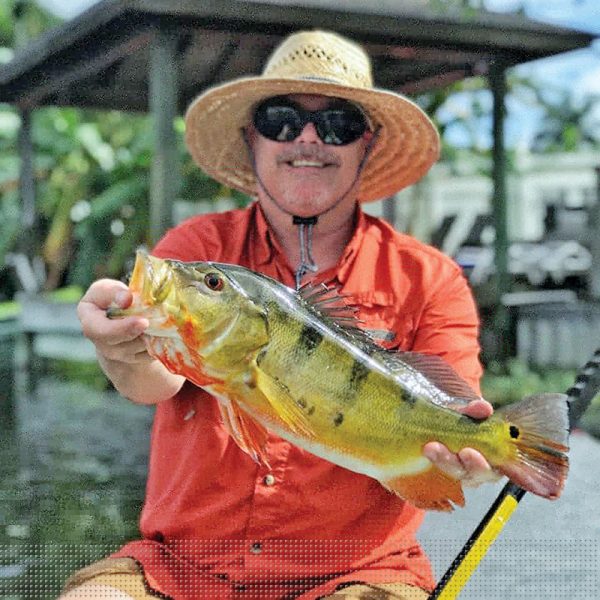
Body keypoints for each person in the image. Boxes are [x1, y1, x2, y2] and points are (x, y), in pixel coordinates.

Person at [63, 30, 497, 600]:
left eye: (338, 124)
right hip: (181, 569)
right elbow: (155, 380)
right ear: (252, 138)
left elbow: (457, 410)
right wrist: (122, 350)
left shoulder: (431, 278)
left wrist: (478, 455)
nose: (309, 139)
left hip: (359, 574)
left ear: (365, 144)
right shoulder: (195, 247)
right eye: (282, 120)